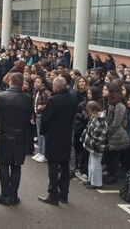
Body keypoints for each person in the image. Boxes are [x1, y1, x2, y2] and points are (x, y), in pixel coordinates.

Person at [0, 72, 34, 206]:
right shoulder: (28, 98)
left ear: (10, 81)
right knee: (16, 166)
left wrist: (3, 124)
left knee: (3, 165)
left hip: (4, 134)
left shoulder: (1, 96)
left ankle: (5, 194)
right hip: (21, 135)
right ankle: (14, 195)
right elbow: (29, 115)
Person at [37, 77, 78, 205]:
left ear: (56, 86)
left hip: (54, 136)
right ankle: (64, 194)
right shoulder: (73, 99)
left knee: (53, 166)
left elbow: (46, 119)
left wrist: (43, 132)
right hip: (66, 135)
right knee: (65, 166)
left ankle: (53, 194)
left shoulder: (53, 100)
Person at [81, 101, 108, 190]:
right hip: (93, 145)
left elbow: (99, 136)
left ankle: (97, 183)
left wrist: (93, 144)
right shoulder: (95, 117)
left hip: (97, 146)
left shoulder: (100, 120)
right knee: (91, 163)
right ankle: (91, 179)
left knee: (95, 164)